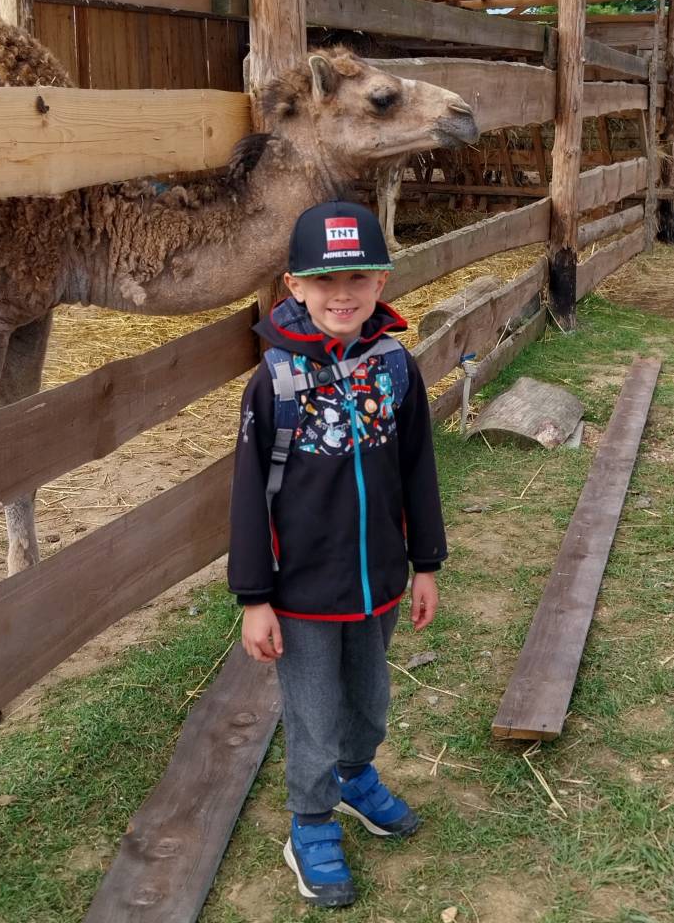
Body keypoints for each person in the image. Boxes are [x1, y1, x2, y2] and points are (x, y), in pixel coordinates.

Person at [229, 199, 446, 908]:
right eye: (324, 280)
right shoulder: (275, 380)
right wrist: (255, 598)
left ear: (381, 281)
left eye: (357, 277)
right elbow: (248, 496)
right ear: (294, 285)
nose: (342, 295)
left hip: (379, 579)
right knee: (315, 712)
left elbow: (418, 469)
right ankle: (311, 821)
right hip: (302, 592)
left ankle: (356, 779)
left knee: (370, 699)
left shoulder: (395, 367)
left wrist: (425, 564)